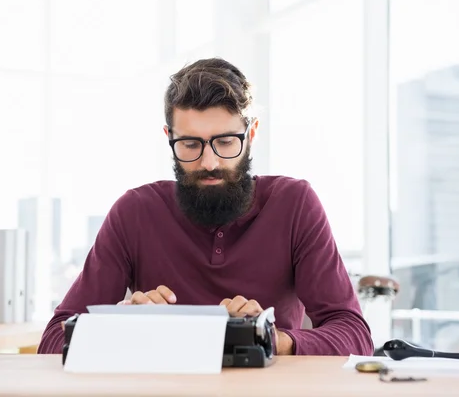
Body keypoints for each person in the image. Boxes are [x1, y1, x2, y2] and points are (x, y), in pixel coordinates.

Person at [37, 57, 374, 356]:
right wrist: (120, 328)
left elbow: (355, 334)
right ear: (169, 138)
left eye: (226, 142)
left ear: (251, 134)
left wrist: (273, 339)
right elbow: (53, 338)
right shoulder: (134, 212)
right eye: (190, 144)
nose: (209, 162)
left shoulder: (294, 204)